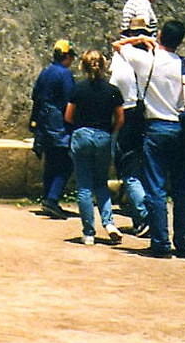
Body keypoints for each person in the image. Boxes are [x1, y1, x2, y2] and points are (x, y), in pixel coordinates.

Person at [137, 19, 185, 258]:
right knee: (183, 189)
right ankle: (183, 242)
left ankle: (160, 242)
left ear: (160, 35)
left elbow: (118, 47)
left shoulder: (148, 61)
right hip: (182, 130)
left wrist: (140, 39)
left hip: (155, 127)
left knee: (156, 187)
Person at [64, 50, 126, 245]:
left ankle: (89, 232)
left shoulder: (78, 89)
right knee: (101, 183)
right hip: (103, 136)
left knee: (84, 186)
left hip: (82, 135)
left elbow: (68, 115)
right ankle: (108, 223)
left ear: (83, 66)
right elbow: (120, 118)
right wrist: (111, 132)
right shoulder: (112, 90)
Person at [109, 24, 153, 236]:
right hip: (143, 116)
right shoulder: (150, 60)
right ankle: (144, 212)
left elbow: (117, 45)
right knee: (139, 168)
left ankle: (144, 216)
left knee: (128, 170)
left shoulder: (121, 66)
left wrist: (129, 41)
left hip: (126, 115)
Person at [30, 39, 75, 218]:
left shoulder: (45, 72)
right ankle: (52, 199)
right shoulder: (65, 75)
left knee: (50, 163)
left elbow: (36, 97)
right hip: (58, 124)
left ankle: (47, 197)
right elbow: (69, 100)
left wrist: (34, 121)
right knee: (65, 163)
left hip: (44, 122)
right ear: (66, 56)